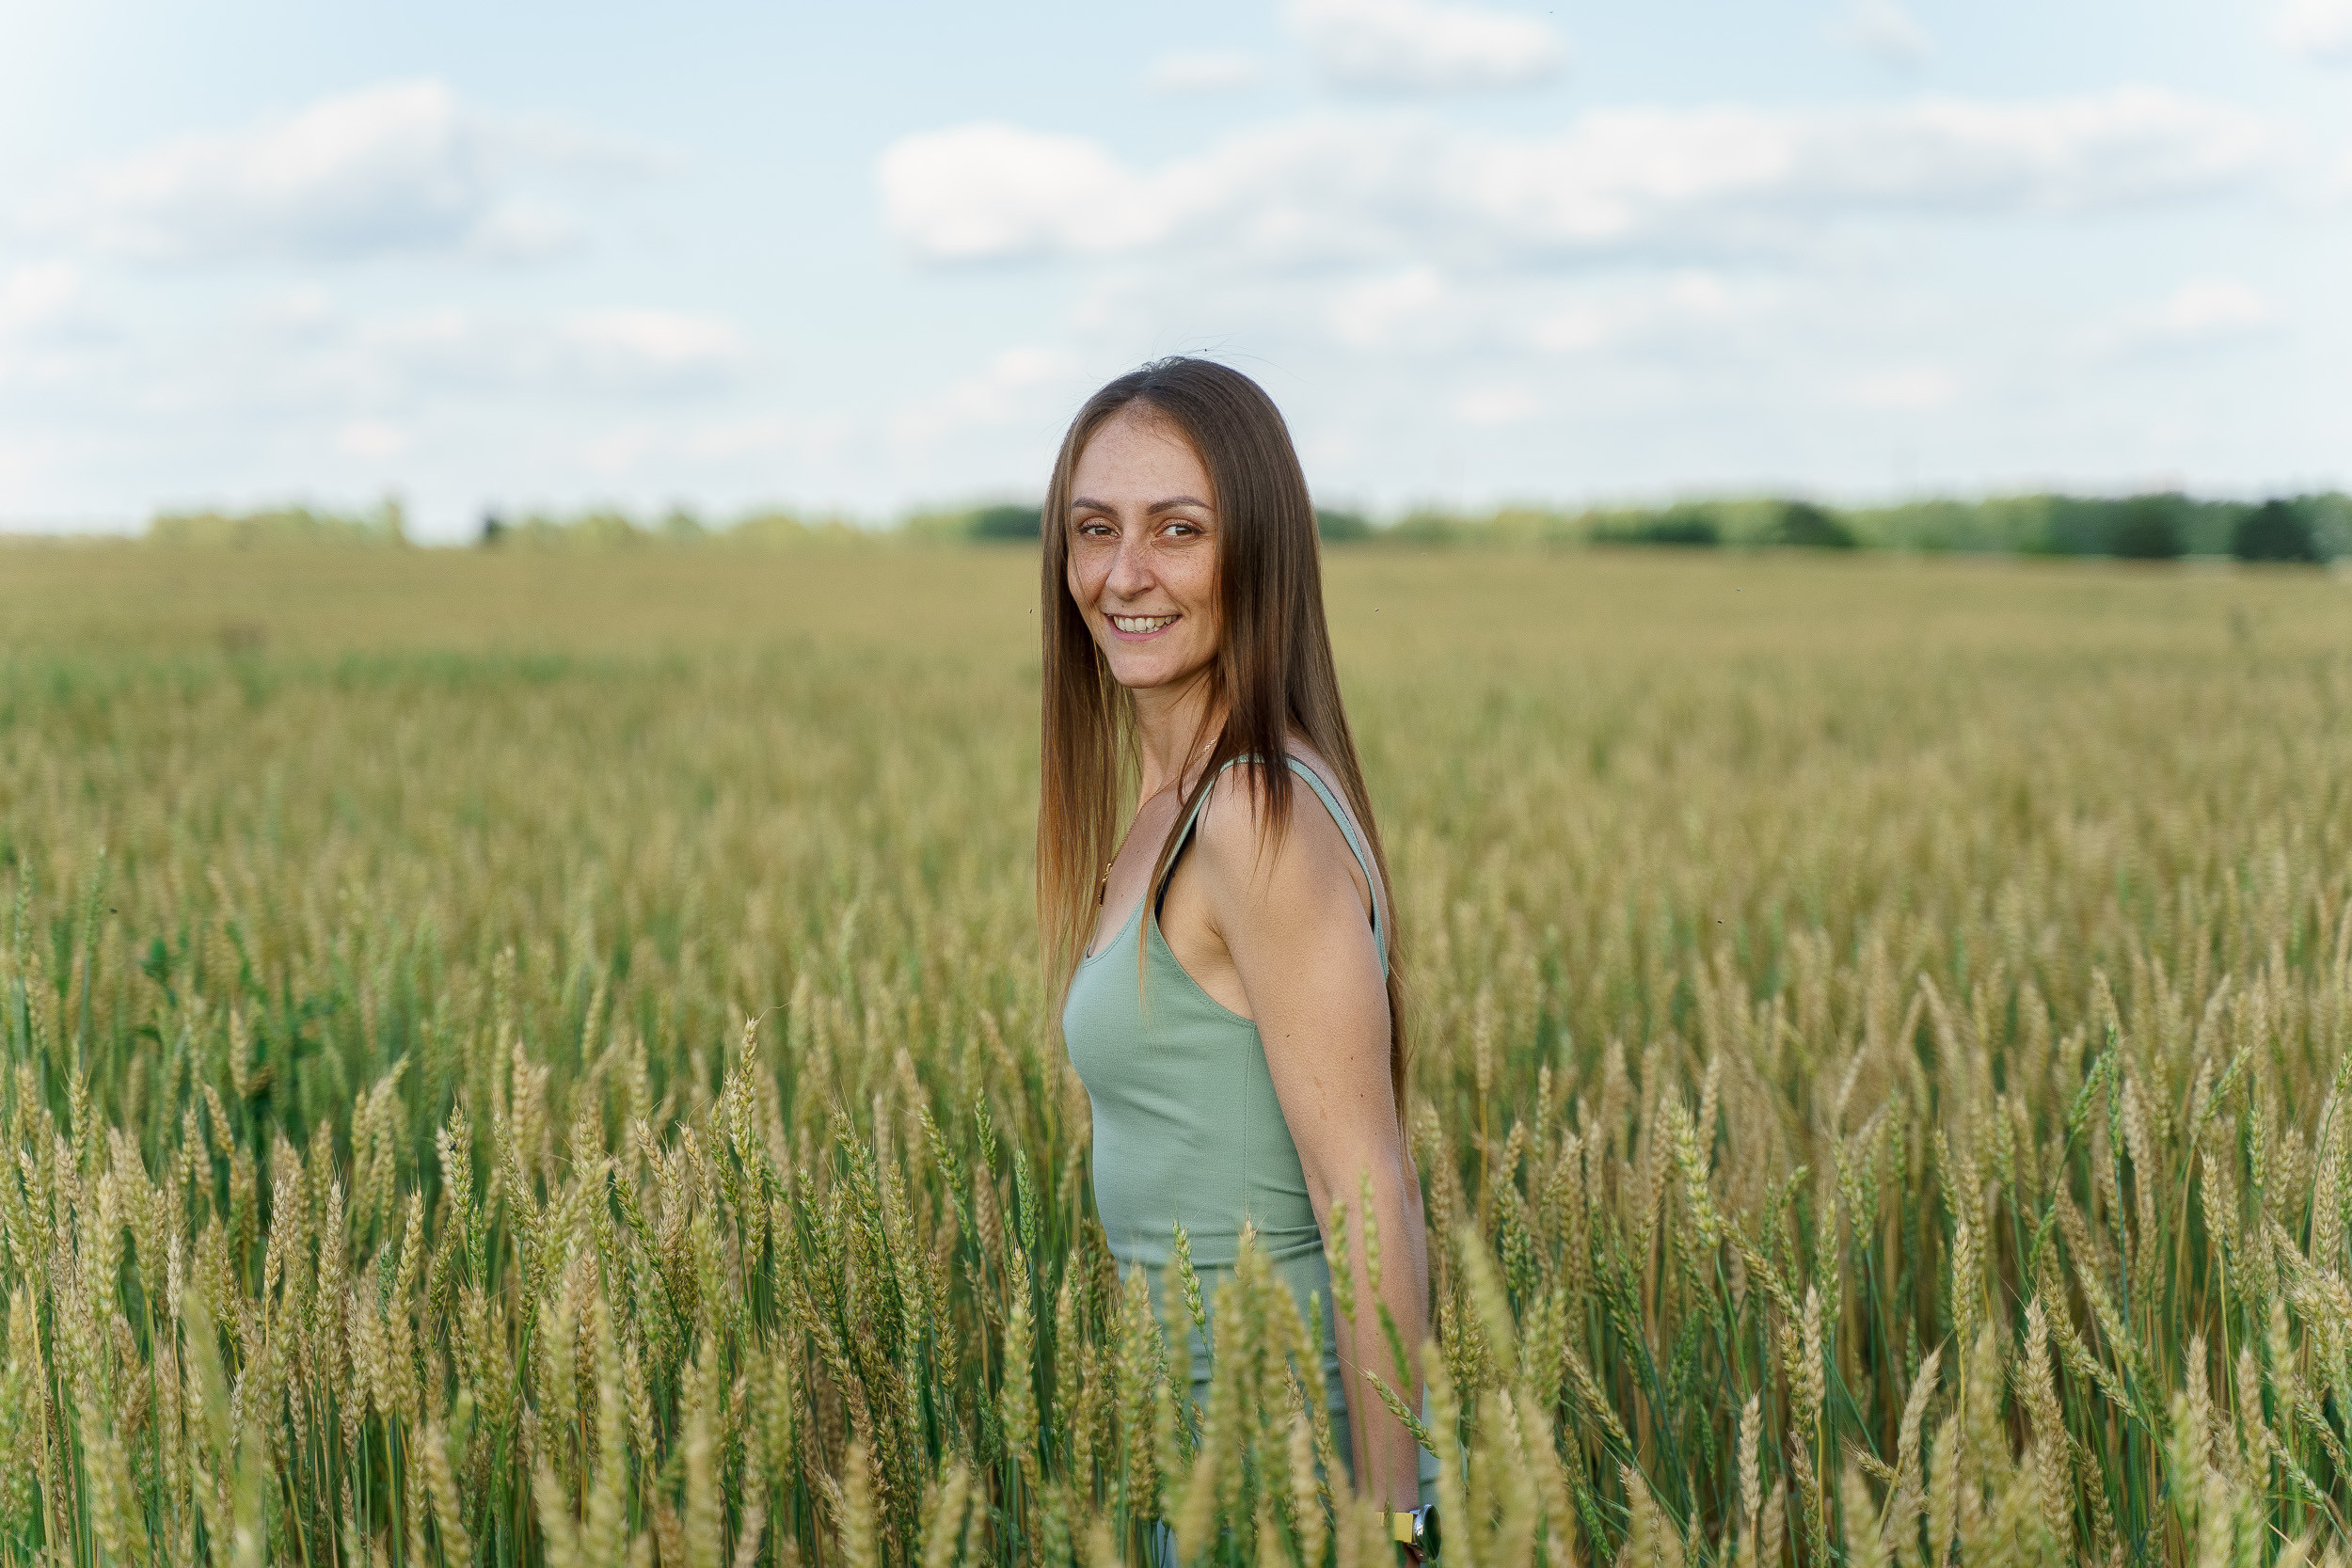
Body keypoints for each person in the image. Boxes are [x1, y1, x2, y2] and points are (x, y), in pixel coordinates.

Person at [1040, 357, 1438, 1557]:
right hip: (1189, 1473)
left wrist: (1391, 1524)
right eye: (1094, 528)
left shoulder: (1251, 809)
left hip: (1282, 1493)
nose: (1125, 574)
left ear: (1257, 554)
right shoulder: (1169, 807)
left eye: (1179, 530)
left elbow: (1366, 1188)